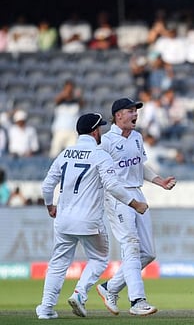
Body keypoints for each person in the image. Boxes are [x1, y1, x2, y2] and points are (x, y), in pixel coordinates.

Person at [35, 113, 149, 319]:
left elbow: (47, 185)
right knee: (98, 259)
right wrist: (134, 203)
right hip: (89, 220)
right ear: (95, 131)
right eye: (100, 129)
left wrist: (49, 206)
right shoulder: (99, 155)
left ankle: (45, 309)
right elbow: (113, 185)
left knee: (58, 264)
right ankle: (79, 293)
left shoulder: (65, 153)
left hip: (63, 220)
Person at [96, 98, 177, 316]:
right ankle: (137, 301)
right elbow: (100, 175)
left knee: (148, 253)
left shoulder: (137, 137)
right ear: (118, 115)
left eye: (136, 111)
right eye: (130, 111)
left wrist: (159, 181)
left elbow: (140, 165)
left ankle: (109, 288)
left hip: (137, 192)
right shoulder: (106, 142)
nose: (135, 114)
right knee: (131, 246)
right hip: (117, 195)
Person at [50, 79, 84, 158]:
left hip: (72, 131)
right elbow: (56, 100)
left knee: (72, 155)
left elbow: (82, 104)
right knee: (54, 154)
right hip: (60, 130)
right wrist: (65, 94)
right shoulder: (60, 100)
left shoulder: (76, 100)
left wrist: (78, 96)